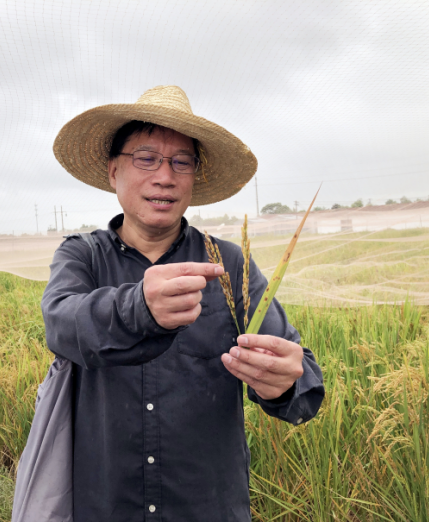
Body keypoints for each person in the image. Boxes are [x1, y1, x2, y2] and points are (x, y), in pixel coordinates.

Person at [42, 85, 325, 521]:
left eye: (181, 162)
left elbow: (298, 378)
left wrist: (286, 381)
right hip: (107, 504)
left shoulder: (226, 262)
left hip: (206, 506)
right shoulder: (82, 255)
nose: (165, 176)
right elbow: (62, 323)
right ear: (114, 170)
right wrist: (140, 305)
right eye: (146, 158)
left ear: (194, 177)